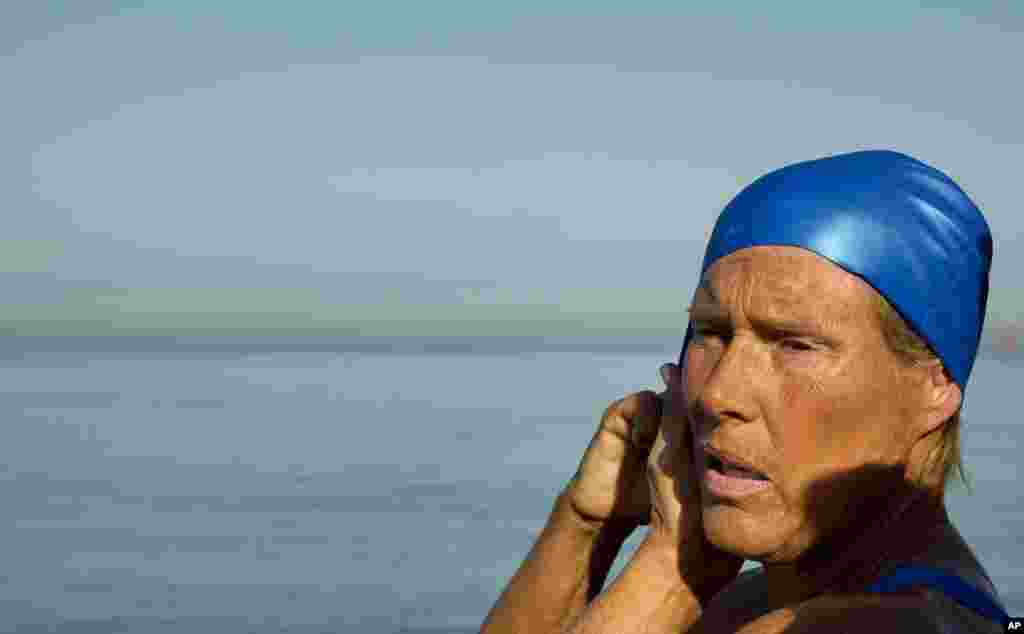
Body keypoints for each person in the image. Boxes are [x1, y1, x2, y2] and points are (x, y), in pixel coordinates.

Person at [480, 151, 1009, 633]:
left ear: (934, 384)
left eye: (795, 345)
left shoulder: (879, 626)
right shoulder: (759, 599)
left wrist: (671, 567)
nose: (715, 395)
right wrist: (584, 524)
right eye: (711, 332)